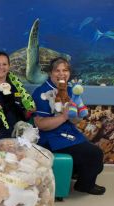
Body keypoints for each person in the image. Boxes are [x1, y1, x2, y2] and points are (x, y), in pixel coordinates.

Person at [32, 57, 105, 195]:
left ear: (69, 73)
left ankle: (75, 172)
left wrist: (77, 114)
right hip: (51, 138)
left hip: (68, 133)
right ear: (50, 73)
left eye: (65, 70)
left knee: (97, 163)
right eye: (57, 71)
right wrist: (64, 116)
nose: (61, 74)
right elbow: (40, 124)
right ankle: (84, 186)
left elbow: (75, 121)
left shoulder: (71, 90)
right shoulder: (41, 92)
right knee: (95, 154)